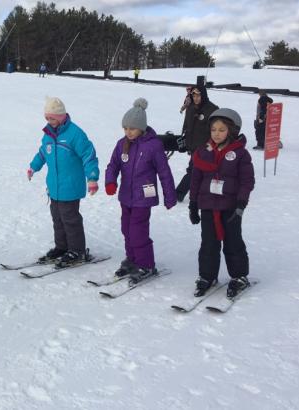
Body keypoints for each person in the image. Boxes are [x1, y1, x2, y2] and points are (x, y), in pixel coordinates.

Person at [105, 98, 177, 282]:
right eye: (125, 128)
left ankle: (146, 264)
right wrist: (110, 181)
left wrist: (170, 196)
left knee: (138, 232)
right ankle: (132, 259)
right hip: (126, 197)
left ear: (141, 128)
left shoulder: (153, 146)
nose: (128, 132)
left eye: (132, 128)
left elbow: (164, 172)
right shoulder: (122, 144)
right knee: (126, 229)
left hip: (143, 198)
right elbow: (113, 165)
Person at [188, 108, 255, 298]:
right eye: (213, 129)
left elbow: (246, 181)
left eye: (221, 130)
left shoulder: (240, 154)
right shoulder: (203, 152)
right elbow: (196, 179)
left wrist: (241, 204)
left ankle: (239, 276)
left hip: (230, 207)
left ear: (231, 131)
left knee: (233, 242)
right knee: (208, 243)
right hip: (208, 205)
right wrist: (193, 204)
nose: (216, 133)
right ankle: (207, 276)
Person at [27, 97, 100, 267]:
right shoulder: (48, 135)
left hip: (71, 186)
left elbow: (89, 156)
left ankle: (77, 251)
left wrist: (92, 178)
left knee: (70, 219)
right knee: (57, 218)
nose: (49, 121)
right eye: (47, 118)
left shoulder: (75, 134)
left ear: (61, 116)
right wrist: (33, 167)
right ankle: (62, 247)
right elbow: (42, 154)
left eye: (52, 118)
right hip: (55, 187)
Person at [175, 84, 218, 202]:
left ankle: (178, 193)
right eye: (194, 95)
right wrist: (184, 138)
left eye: (198, 95)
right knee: (200, 170)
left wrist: (212, 144)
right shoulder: (191, 108)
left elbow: (217, 128)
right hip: (193, 145)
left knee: (193, 170)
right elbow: (187, 125)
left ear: (203, 95)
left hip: (206, 146)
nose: (196, 97)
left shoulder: (212, 109)